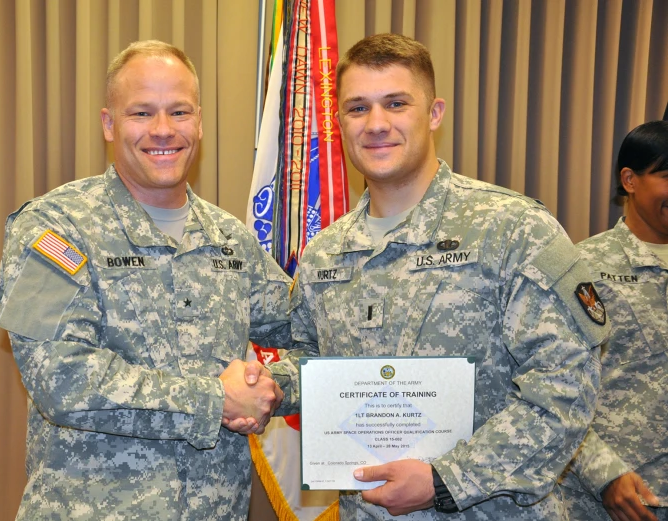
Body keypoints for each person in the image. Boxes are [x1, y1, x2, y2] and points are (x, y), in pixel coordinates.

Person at [258, 33, 607, 519]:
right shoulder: (324, 254)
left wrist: (447, 478)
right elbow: (316, 362)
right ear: (338, 122)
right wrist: (271, 387)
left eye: (396, 103)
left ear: (434, 113)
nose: (376, 124)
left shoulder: (512, 229)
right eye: (358, 108)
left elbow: (565, 387)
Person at [0, 40, 289, 520]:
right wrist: (215, 399)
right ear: (109, 124)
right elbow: (61, 377)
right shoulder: (56, 227)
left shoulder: (231, 240)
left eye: (179, 111)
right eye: (141, 113)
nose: (163, 130)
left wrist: (269, 388)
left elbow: (309, 334)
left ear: (199, 122)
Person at [559, 121, 668, 521]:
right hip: (614, 500)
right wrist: (604, 474)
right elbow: (554, 386)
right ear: (630, 180)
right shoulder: (583, 267)